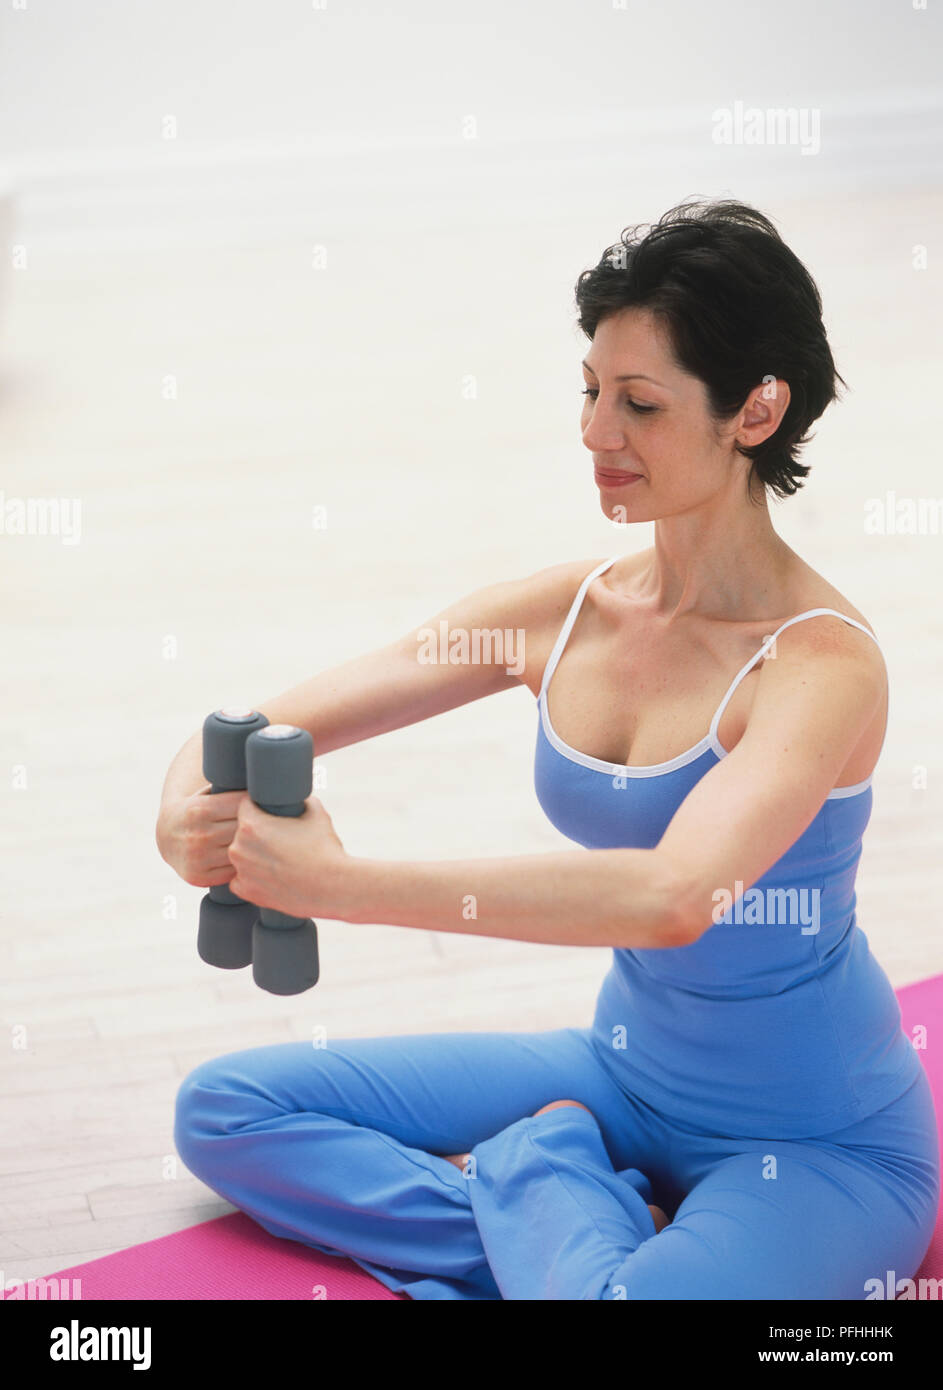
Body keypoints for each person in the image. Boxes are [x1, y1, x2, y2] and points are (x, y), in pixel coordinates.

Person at [158, 198, 939, 1300]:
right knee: (228, 1111)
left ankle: (545, 1168)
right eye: (589, 390)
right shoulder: (559, 612)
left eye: (639, 404)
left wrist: (344, 885)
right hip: (622, 1074)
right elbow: (254, 727)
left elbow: (673, 896)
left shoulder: (820, 666)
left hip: (816, 1138)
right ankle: (583, 1227)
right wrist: (181, 801)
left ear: (755, 409)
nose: (593, 433)